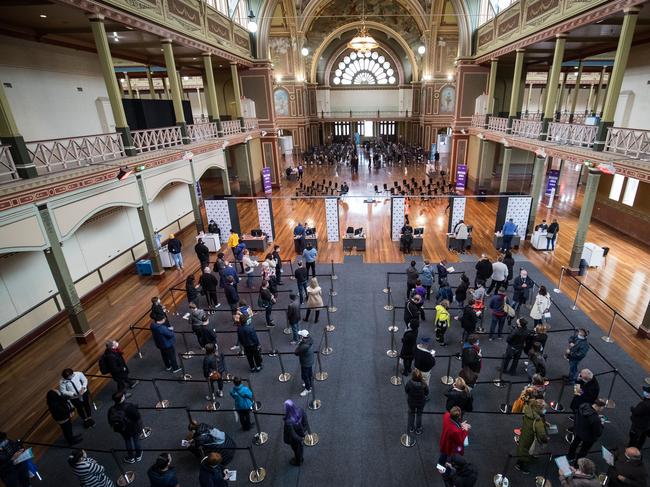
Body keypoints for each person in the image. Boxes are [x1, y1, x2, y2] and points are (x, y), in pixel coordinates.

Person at [107, 391, 143, 464]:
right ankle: (138, 455)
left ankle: (131, 457)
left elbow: (110, 421)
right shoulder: (129, 407)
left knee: (127, 441)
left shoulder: (111, 409)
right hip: (133, 427)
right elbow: (137, 417)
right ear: (122, 398)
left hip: (122, 429)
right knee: (136, 440)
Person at [515, 398, 549, 473]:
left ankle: (519, 462)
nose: (545, 410)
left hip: (525, 433)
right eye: (544, 409)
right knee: (526, 451)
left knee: (522, 448)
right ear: (540, 409)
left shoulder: (529, 411)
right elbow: (542, 435)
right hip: (531, 438)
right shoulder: (537, 421)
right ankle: (520, 465)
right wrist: (545, 440)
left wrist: (544, 422)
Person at [283, 400, 310, 466]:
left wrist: (301, 439)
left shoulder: (288, 421)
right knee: (299, 447)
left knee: (296, 448)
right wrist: (304, 430)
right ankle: (300, 458)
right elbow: (305, 421)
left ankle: (298, 461)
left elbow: (293, 435)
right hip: (301, 432)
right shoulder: (300, 410)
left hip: (294, 439)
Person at [405, 369, 429, 435]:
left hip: (411, 402)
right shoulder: (424, 384)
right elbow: (427, 393)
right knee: (419, 415)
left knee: (411, 414)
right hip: (421, 403)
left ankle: (411, 428)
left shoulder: (409, 383)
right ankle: (418, 429)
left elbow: (406, 390)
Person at [629, 383, 650, 449]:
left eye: (647, 392)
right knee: (642, 438)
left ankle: (630, 450)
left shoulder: (645, 404)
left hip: (639, 425)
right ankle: (638, 448)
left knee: (633, 438)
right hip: (647, 425)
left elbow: (636, 412)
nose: (645, 392)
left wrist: (632, 408)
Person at [295, 329, 314, 397]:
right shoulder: (310, 340)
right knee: (309, 374)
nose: (299, 336)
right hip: (310, 360)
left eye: (300, 335)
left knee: (304, 376)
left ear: (303, 337)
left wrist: (300, 343)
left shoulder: (304, 345)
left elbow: (296, 352)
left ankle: (307, 389)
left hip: (305, 362)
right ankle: (309, 384)